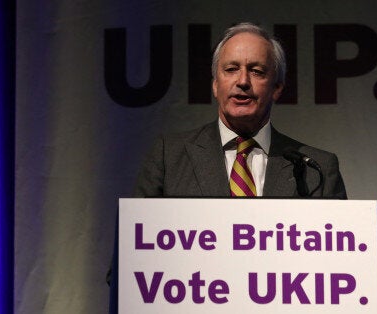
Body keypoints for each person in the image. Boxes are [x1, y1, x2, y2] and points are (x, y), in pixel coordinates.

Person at [109, 22, 346, 313]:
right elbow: (126, 269)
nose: (242, 80)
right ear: (214, 83)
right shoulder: (169, 157)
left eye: (257, 71)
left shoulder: (316, 168)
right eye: (231, 69)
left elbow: (341, 277)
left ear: (277, 87)